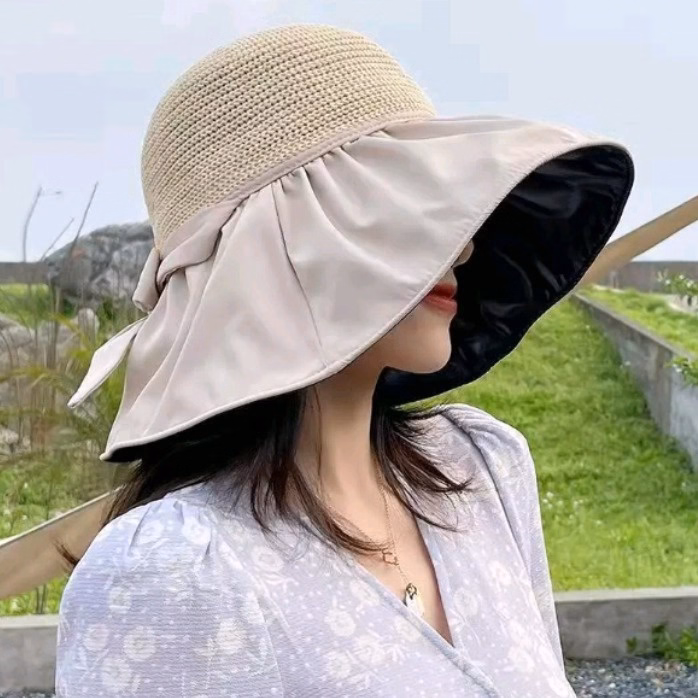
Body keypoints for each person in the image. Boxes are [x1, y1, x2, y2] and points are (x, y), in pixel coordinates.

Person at [54, 23, 633, 698]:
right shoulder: (171, 573)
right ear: (279, 251)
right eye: (404, 209)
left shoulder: (481, 470)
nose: (464, 246)